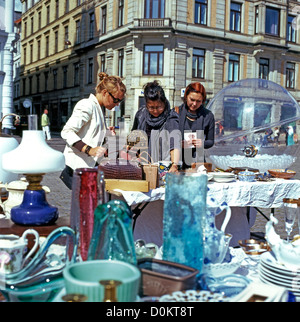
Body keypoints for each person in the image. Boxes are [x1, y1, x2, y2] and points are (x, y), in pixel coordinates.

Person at [60, 72, 126, 189]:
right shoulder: (87, 105)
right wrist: (89, 150)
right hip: (78, 168)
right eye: (116, 100)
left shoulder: (99, 108)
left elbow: (91, 133)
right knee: (85, 205)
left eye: (119, 101)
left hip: (90, 168)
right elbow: (67, 131)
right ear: (105, 93)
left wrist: (106, 133)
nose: (117, 104)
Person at [130, 80, 181, 172]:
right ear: (146, 104)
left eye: (159, 107)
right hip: (143, 165)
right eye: (151, 107)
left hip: (164, 167)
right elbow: (133, 138)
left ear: (164, 102)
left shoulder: (171, 117)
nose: (155, 111)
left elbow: (175, 143)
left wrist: (174, 165)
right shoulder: (141, 114)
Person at [175, 82, 215, 169]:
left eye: (198, 101)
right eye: (192, 99)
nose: (194, 104)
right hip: (178, 160)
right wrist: (178, 144)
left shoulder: (208, 116)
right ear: (186, 97)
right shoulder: (176, 113)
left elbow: (211, 141)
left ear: (203, 101)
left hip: (198, 162)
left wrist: (202, 143)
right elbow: (167, 138)